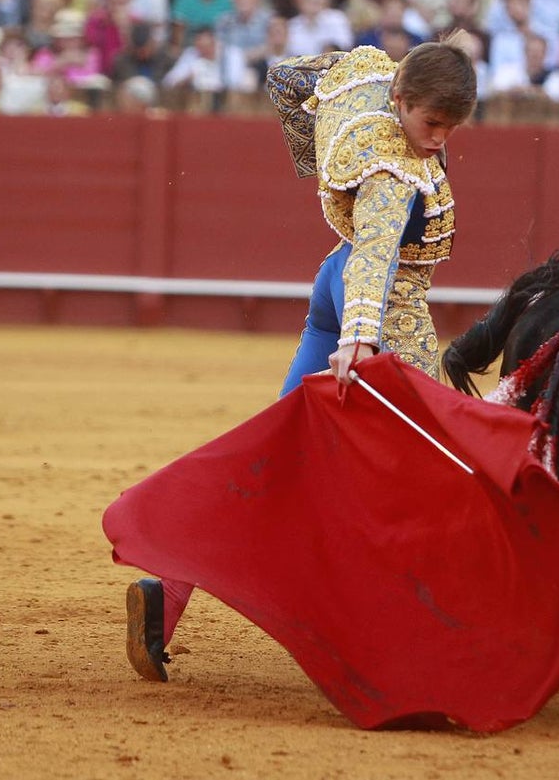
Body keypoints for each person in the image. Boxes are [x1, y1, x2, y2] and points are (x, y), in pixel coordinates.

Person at [124, 39, 478, 683]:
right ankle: (417, 637)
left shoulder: (370, 75)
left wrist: (314, 164)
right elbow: (376, 250)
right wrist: (361, 336)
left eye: (451, 129)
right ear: (402, 102)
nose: (436, 142)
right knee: (451, 465)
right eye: (432, 125)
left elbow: (289, 78)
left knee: (271, 459)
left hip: (328, 286)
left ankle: (168, 592)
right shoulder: (391, 167)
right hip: (380, 300)